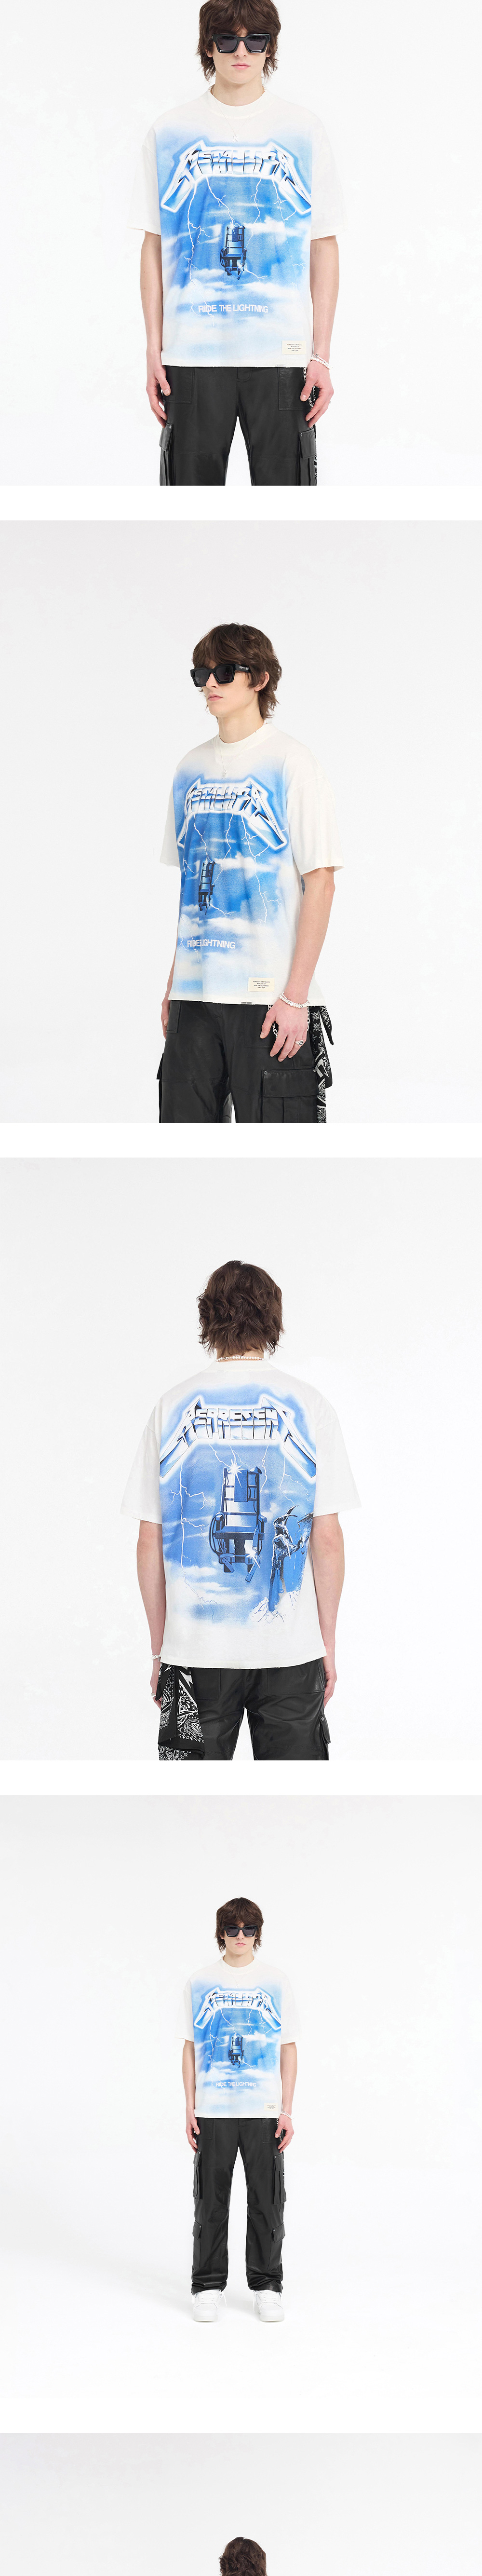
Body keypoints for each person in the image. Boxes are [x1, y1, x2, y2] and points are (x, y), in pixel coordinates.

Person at [121, 1246, 359, 1762]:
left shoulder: (171, 1406)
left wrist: (162, 1651)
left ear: (207, 1317)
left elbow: (149, 1540)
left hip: (193, 1655)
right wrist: (326, 1643)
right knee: (296, 1797)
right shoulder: (309, 1405)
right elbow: (327, 1537)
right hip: (292, 1652)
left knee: (187, 1796)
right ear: (273, 1318)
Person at [131, 0, 342, 489]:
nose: (241, 51)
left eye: (255, 40)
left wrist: (320, 354)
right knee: (189, 508)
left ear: (271, 47)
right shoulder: (170, 130)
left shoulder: (303, 128)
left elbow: (323, 244)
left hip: (283, 356)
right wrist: (154, 350)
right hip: (192, 354)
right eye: (227, 39)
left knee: (288, 507)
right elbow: (154, 245)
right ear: (209, 46)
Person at [158, 619, 342, 1125]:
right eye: (201, 674)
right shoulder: (189, 768)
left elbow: (321, 882)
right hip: (195, 999)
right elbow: (193, 890)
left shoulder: (292, 762)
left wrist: (295, 998)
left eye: (224, 671)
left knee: (281, 1154)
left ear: (260, 678)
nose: (210, 684)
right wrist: (175, 985)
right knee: (184, 1152)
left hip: (269, 999)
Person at [179, 1892, 298, 2323]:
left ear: (258, 1933)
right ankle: (207, 2286)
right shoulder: (200, 1982)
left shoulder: (275, 1981)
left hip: (263, 2110)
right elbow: (190, 2047)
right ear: (221, 1933)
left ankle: (267, 2286)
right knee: (210, 2202)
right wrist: (190, 2107)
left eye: (249, 1929)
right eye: (232, 1928)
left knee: (267, 2202)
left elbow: (288, 2047)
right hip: (213, 2110)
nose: (241, 1936)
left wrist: (287, 2110)